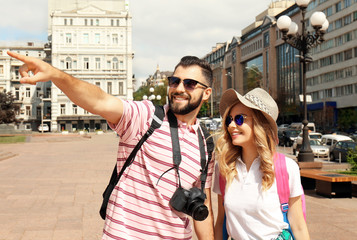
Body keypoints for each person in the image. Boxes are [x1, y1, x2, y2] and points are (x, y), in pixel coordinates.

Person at [7, 51, 215, 240]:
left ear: (207, 93)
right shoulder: (146, 117)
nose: (179, 88)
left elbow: (203, 206)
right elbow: (99, 101)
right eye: (174, 81)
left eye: (189, 84)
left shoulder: (205, 143)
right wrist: (55, 74)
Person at [213, 88, 309, 240]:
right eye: (229, 119)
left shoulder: (287, 168)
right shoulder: (225, 168)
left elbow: (298, 226)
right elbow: (220, 223)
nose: (231, 125)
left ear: (260, 124)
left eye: (239, 119)